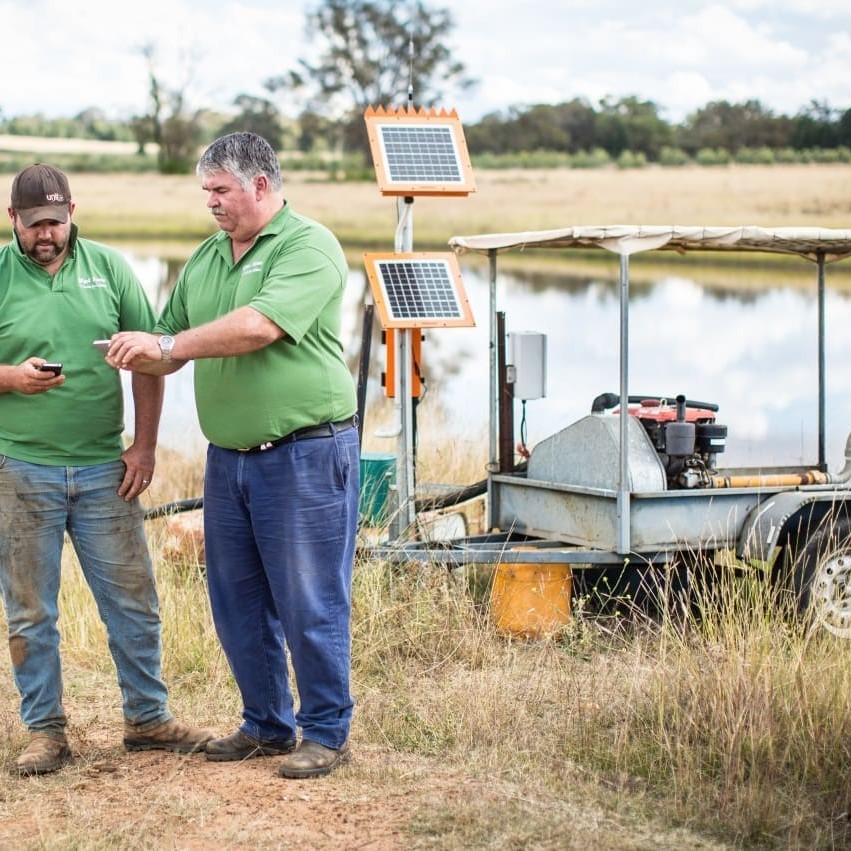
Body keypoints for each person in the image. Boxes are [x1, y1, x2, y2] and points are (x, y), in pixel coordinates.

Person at [108, 132, 360, 779]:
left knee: (309, 597)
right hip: (231, 459)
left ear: (260, 184)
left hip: (304, 452)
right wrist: (136, 350)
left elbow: (257, 327)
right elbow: (172, 345)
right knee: (236, 598)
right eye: (206, 192)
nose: (211, 202)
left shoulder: (309, 246)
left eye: (220, 190)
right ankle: (266, 724)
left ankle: (326, 731)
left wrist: (167, 341)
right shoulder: (204, 259)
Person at [0, 164, 216, 777]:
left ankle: (147, 718)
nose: (47, 234)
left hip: (104, 469)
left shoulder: (112, 268)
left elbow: (147, 360)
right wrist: (13, 379)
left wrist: (144, 447)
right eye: (35, 223)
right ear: (13, 218)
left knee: (132, 599)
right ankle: (45, 731)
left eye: (57, 222)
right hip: (20, 471)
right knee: (30, 610)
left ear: (73, 213)